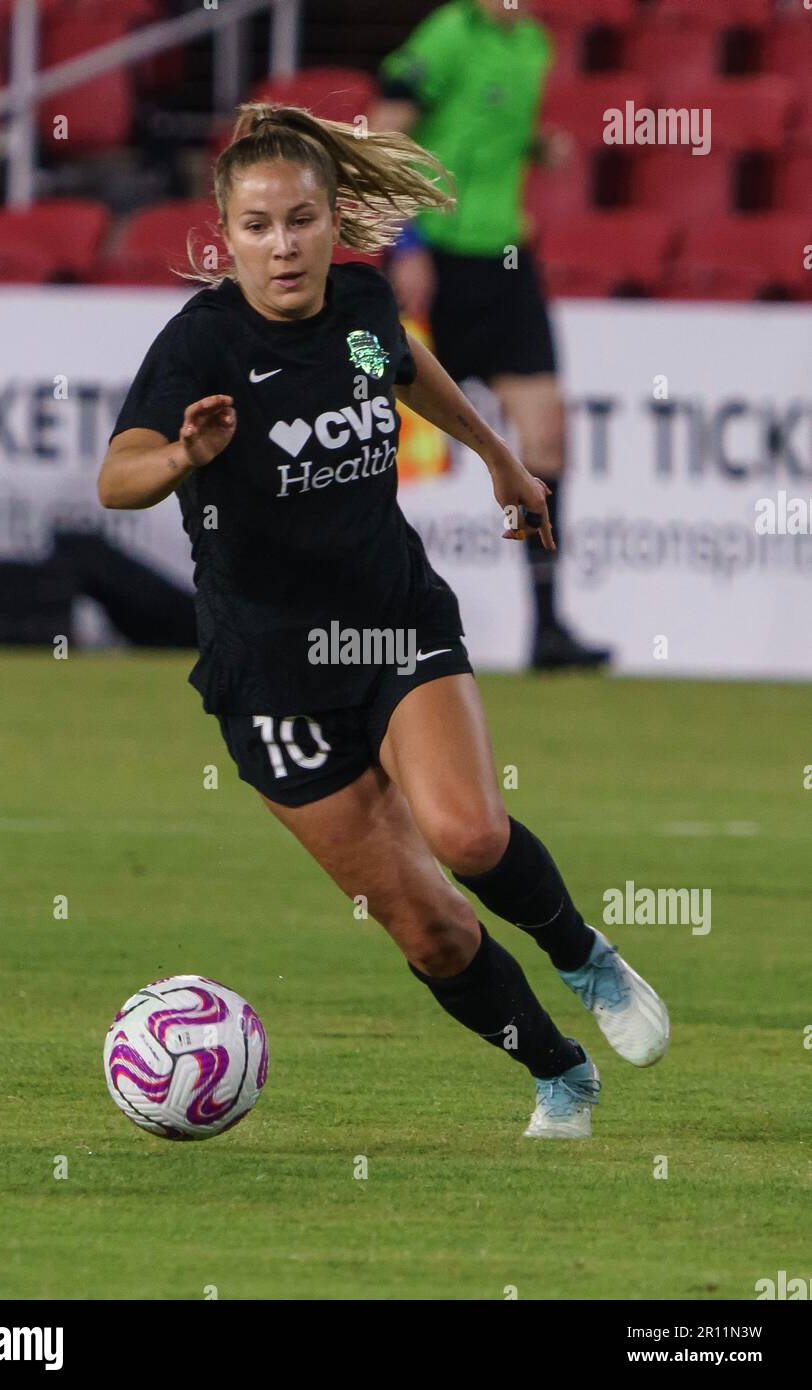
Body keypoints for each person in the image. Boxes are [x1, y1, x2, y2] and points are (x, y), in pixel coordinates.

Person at [98, 102, 668, 1139]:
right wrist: (181, 457)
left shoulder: (362, 307)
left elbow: (407, 370)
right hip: (269, 676)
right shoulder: (201, 348)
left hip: (391, 621)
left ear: (334, 223)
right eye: (261, 226)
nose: (283, 244)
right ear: (226, 235)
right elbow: (115, 476)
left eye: (302, 220)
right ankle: (558, 1074)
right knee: (434, 930)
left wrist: (499, 457)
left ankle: (585, 955)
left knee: (468, 830)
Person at [371, 0, 612, 671]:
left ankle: (548, 626)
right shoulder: (449, 33)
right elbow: (384, 133)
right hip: (435, 263)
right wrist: (406, 241)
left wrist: (536, 147)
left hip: (505, 262)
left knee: (547, 437)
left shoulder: (533, 46)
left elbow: (480, 129)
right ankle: (332, 609)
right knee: (375, 438)